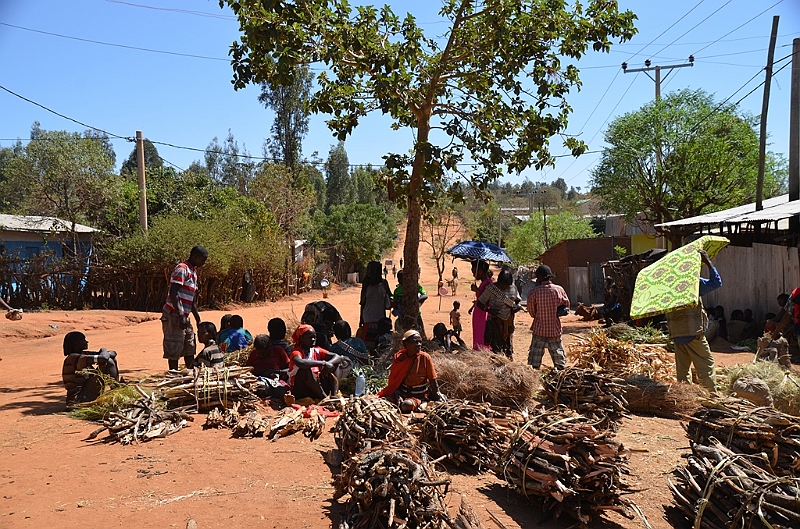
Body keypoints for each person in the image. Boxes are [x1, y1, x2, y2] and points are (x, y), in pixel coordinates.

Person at [665, 249, 721, 392]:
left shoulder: (666, 286)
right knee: (706, 366)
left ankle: (685, 396)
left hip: (676, 334)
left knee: (683, 371)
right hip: (693, 332)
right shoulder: (692, 282)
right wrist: (707, 262)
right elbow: (716, 282)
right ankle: (711, 396)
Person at [162, 246, 208, 371]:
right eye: (203, 259)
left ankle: (191, 375)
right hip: (173, 314)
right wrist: (180, 314)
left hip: (184, 316)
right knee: (174, 346)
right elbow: (174, 292)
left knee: (189, 347)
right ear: (195, 257)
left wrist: (198, 319)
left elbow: (191, 299)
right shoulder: (182, 269)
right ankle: (174, 375)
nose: (204, 263)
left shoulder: (193, 272)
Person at [378, 330, 443, 412]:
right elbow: (395, 381)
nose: (419, 344)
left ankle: (420, 404)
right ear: (406, 344)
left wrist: (437, 396)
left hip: (419, 396)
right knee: (384, 401)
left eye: (420, 342)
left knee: (406, 406)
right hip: (402, 393)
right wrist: (397, 394)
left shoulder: (425, 358)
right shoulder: (399, 358)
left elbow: (432, 380)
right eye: (416, 342)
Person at [526, 264, 570, 371]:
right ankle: (559, 377)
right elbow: (566, 306)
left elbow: (531, 311)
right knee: (559, 361)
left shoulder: (534, 292)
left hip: (539, 330)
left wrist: (538, 315)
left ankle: (534, 378)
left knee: (534, 362)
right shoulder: (559, 290)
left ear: (540, 277)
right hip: (554, 329)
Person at [62, 331, 120, 406]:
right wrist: (103, 349)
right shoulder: (73, 358)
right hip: (79, 398)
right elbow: (104, 357)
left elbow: (112, 353)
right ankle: (117, 391)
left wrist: (106, 353)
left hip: (86, 393)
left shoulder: (83, 354)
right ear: (76, 344)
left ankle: (117, 388)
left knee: (111, 359)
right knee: (108, 362)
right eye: (83, 340)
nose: (86, 342)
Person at [288, 324, 343, 401]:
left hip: (317, 386)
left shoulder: (317, 350)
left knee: (334, 365)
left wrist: (327, 365)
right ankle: (325, 398)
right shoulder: (296, 352)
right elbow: (300, 362)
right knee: (304, 370)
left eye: (314, 337)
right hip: (302, 390)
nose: (313, 339)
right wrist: (323, 363)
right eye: (310, 337)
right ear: (301, 338)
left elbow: (337, 357)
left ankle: (334, 395)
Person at [478, 267, 522, 358]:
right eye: (503, 285)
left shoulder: (513, 288)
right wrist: (489, 310)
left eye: (507, 285)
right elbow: (480, 303)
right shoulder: (491, 289)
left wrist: (517, 307)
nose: (505, 287)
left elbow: (518, 301)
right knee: (495, 346)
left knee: (507, 344)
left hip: (508, 322)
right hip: (495, 322)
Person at [359, 261, 393, 349]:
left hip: (379, 318)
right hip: (369, 317)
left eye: (369, 269)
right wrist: (361, 319)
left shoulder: (384, 283)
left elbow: (390, 298)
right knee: (369, 344)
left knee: (379, 343)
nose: (367, 272)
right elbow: (362, 302)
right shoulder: (366, 283)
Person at [393, 270, 428, 336]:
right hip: (402, 317)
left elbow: (425, 295)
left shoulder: (415, 286)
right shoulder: (397, 291)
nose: (400, 280)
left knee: (420, 333)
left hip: (416, 315)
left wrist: (415, 301)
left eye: (402, 278)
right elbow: (395, 303)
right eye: (399, 278)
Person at [470, 260, 493, 350]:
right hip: (479, 312)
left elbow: (488, 299)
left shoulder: (489, 283)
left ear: (480, 271)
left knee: (482, 332)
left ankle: (481, 350)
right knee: (477, 332)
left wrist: (477, 290)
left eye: (474, 271)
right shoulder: (484, 283)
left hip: (483, 313)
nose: (473, 274)